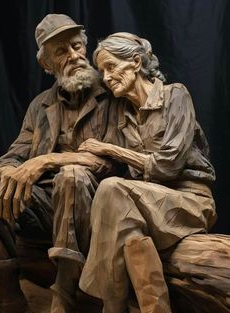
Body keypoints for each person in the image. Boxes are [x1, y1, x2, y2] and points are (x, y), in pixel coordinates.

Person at [78, 32, 217, 313]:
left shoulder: (175, 95)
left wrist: (113, 150)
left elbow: (169, 165)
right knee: (126, 228)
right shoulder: (122, 115)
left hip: (189, 201)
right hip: (147, 205)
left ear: (136, 61)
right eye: (102, 71)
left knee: (112, 189)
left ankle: (111, 307)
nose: (105, 78)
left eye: (111, 67)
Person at [0, 15, 124, 313]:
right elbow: (12, 156)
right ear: (46, 65)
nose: (75, 56)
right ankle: (10, 298)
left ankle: (65, 296)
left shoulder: (114, 93)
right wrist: (12, 173)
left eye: (77, 46)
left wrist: (46, 160)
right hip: (47, 205)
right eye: (62, 51)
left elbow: (116, 159)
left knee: (72, 175)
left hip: (100, 204)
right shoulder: (40, 104)